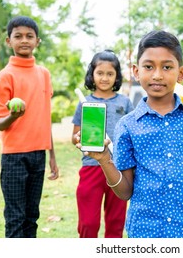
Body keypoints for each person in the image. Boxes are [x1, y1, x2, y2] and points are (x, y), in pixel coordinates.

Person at [75, 30, 183, 238]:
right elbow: (125, 192)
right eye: (149, 67)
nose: (157, 75)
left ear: (181, 73)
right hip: (144, 233)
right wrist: (104, 160)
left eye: (167, 67)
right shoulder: (128, 125)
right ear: (136, 71)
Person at [0, 16, 59, 238]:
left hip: (38, 155)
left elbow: (44, 116)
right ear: (8, 41)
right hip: (14, 158)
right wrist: (13, 115)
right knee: (15, 218)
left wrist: (52, 156)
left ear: (37, 41)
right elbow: (0, 123)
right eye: (18, 36)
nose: (24, 40)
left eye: (29, 36)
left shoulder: (44, 74)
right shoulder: (6, 75)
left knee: (32, 217)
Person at [71, 50, 134, 238]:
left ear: (117, 76)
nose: (104, 78)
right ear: (92, 74)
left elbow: (132, 134)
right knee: (88, 223)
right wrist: (79, 139)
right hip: (91, 167)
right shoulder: (85, 102)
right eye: (100, 73)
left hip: (119, 168)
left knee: (116, 222)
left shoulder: (125, 102)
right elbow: (74, 135)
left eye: (110, 74)